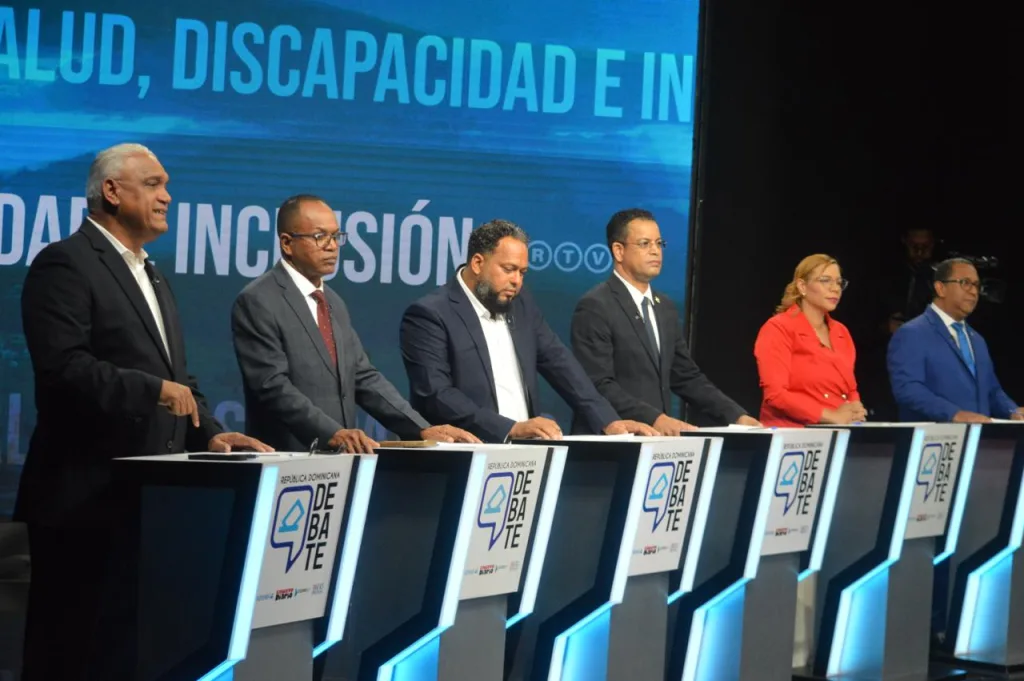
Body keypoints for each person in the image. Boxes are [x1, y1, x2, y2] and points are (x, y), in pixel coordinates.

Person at [15, 143, 272, 681]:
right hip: (84, 500)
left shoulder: (152, 273)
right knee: (71, 654)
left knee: (129, 655)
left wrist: (211, 435)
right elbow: (63, 368)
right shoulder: (66, 262)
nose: (167, 196)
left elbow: (179, 376)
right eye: (154, 184)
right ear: (112, 191)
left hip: (149, 502)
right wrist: (151, 389)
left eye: (166, 185)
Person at [231, 195, 479, 453]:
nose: (332, 246)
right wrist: (332, 433)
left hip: (341, 460)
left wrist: (420, 428)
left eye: (336, 236)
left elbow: (363, 377)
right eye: (320, 237)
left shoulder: (333, 302)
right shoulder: (258, 300)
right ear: (287, 243)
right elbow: (272, 387)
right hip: (286, 458)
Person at [399, 219, 659, 443]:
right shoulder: (430, 314)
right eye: (508, 269)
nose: (517, 281)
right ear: (478, 263)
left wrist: (608, 421)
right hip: (465, 454)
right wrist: (509, 428)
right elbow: (437, 395)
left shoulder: (521, 303)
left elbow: (561, 364)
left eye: (522, 272)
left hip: (525, 455)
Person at [570, 208, 760, 434]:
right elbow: (598, 384)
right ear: (618, 251)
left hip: (654, 442)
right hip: (611, 442)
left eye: (659, 244)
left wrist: (736, 415)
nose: (655, 251)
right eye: (644, 244)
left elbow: (686, 376)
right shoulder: (595, 306)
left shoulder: (665, 307)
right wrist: (656, 419)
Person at [887, 257, 1022, 423]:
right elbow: (908, 388)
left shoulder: (977, 340)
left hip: (979, 437)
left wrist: (1013, 411)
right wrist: (954, 414)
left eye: (976, 285)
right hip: (933, 437)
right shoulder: (912, 333)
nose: (974, 292)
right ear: (941, 288)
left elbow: (991, 390)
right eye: (965, 283)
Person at [753, 254, 867, 427]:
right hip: (792, 433)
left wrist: (855, 406)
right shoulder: (778, 328)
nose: (835, 288)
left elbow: (850, 388)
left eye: (839, 282)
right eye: (825, 280)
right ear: (802, 286)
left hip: (838, 430)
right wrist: (829, 416)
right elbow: (776, 395)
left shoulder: (841, 332)